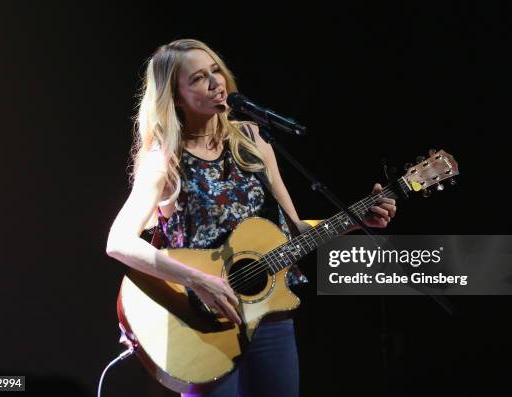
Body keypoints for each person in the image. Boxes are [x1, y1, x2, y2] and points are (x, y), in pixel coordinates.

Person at [105, 39, 397, 397]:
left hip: (270, 319)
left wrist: (354, 220)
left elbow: (294, 231)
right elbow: (118, 241)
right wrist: (198, 281)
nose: (216, 83)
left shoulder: (253, 139)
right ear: (175, 96)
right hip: (202, 324)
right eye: (198, 78)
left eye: (216, 71)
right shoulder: (164, 159)